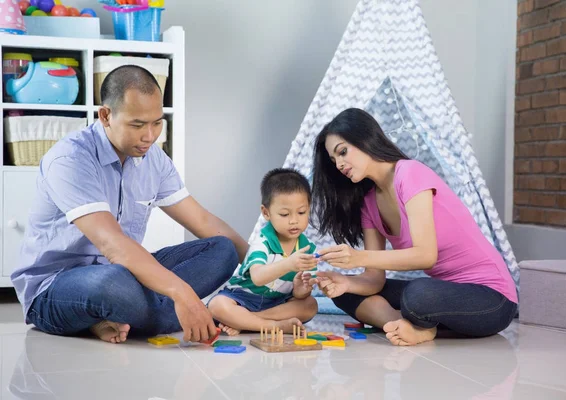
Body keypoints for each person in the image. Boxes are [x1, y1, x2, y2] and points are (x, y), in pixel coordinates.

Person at [10, 65, 249, 344]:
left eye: (157, 122)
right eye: (137, 124)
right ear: (106, 116)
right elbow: (113, 245)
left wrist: (266, 271)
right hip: (55, 288)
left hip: (124, 273)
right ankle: (172, 314)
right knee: (111, 283)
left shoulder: (153, 159)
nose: (149, 136)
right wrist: (183, 293)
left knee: (224, 249)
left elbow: (205, 222)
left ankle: (121, 315)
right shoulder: (70, 159)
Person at [306, 108, 518, 346]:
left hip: (492, 299)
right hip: (444, 294)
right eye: (334, 161)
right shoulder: (368, 204)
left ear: (364, 138)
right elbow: (374, 279)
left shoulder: (409, 173)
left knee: (417, 295)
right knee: (345, 291)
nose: (340, 164)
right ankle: (404, 325)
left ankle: (421, 323)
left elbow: (426, 256)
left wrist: (358, 258)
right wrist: (347, 282)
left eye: (343, 152)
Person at [209, 168, 318, 335]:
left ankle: (248, 321)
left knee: (310, 305)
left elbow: (300, 295)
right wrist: (288, 264)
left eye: (301, 212)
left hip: (276, 304)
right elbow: (258, 278)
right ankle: (274, 326)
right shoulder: (263, 241)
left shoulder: (307, 248)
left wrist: (301, 290)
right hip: (242, 298)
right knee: (217, 305)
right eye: (284, 214)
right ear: (266, 213)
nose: (294, 220)